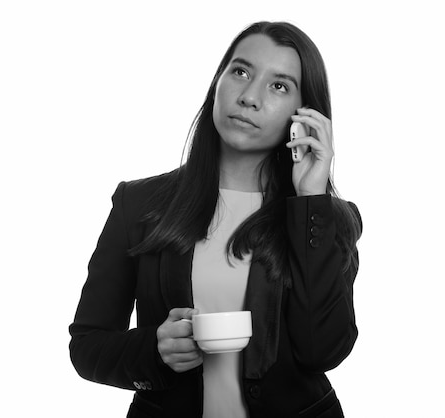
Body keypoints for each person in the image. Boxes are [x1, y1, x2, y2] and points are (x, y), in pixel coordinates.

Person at [69, 21, 362, 418]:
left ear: (304, 115)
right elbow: (87, 346)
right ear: (217, 83)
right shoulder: (137, 204)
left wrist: (310, 198)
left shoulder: (327, 219)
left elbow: (323, 350)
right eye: (240, 72)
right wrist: (155, 350)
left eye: (279, 86)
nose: (250, 97)